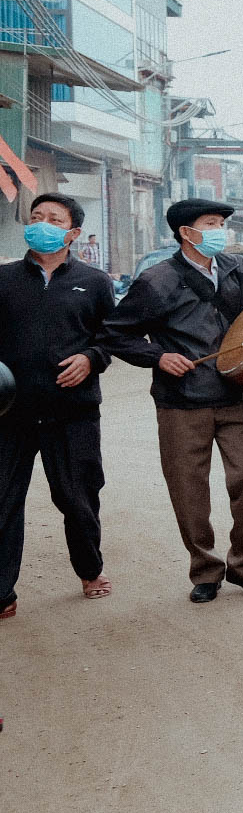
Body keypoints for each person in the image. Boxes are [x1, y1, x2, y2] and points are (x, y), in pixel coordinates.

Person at [98, 198, 243, 602]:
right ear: (186, 232)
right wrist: (158, 356)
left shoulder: (239, 268)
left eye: (221, 224)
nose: (221, 231)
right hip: (180, 402)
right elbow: (113, 334)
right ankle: (205, 570)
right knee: (188, 490)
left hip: (236, 394)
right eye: (211, 223)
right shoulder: (156, 281)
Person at [0, 193, 116, 618]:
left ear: (72, 233)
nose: (41, 224)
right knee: (2, 499)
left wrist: (91, 359)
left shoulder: (95, 281)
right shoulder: (4, 279)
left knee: (78, 496)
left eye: (53, 218)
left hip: (73, 411)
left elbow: (111, 337)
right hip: (9, 413)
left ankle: (89, 570)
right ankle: (2, 594)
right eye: (35, 217)